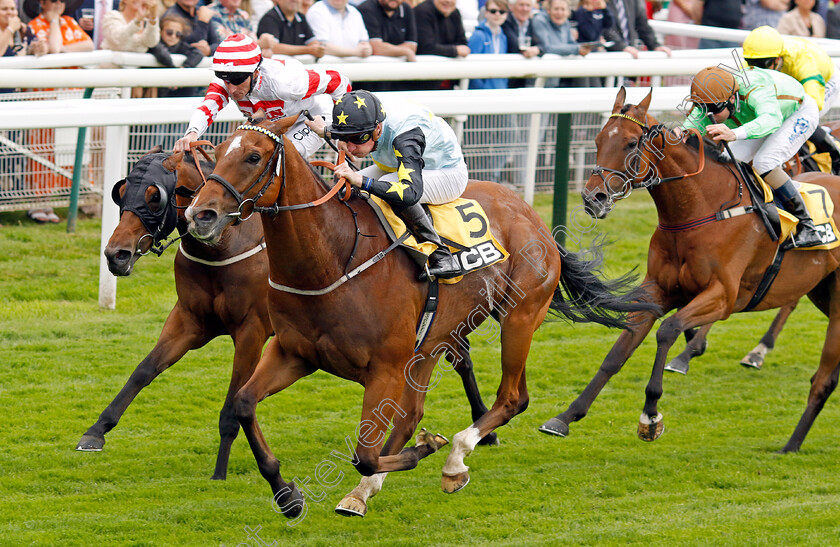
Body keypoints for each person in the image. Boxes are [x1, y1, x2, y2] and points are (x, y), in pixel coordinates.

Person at [305, 90, 464, 279]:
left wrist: (362, 180)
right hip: (397, 165)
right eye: (346, 138)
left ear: (378, 129)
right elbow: (353, 129)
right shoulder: (366, 119)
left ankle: (442, 256)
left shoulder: (406, 136)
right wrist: (327, 131)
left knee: (383, 186)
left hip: (446, 173)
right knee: (344, 187)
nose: (351, 147)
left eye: (358, 139)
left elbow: (409, 192)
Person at [681, 66, 823, 248]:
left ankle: (807, 225)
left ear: (732, 99)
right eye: (703, 108)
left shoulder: (756, 90)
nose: (709, 115)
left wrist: (735, 134)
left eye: (713, 110)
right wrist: (682, 130)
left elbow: (771, 120)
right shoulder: (717, 97)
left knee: (764, 162)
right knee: (727, 162)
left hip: (795, 113)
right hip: (761, 117)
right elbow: (698, 116)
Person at [173, 33, 351, 160]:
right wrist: (191, 134)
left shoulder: (286, 84)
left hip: (313, 118)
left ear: (256, 72)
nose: (232, 89)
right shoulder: (229, 79)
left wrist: (343, 133)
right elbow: (207, 107)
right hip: (273, 125)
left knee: (282, 158)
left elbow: (340, 82)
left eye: (238, 80)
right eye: (225, 80)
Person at [743, 25, 840, 173]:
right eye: (754, 64)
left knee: (804, 114)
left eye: (765, 64)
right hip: (791, 84)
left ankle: (835, 154)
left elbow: (813, 102)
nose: (759, 69)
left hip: (826, 79)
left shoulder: (800, 59)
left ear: (778, 58)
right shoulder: (749, 65)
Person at [357, 0, 418, 88]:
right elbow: (376, 48)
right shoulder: (366, 8)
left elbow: (412, 46)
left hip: (398, 77)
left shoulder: (406, 8)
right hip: (371, 76)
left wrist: (387, 49)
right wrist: (406, 51)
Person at [414, 0, 469, 89]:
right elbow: (425, 47)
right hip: (423, 81)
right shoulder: (422, 11)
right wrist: (455, 50)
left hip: (448, 78)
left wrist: (453, 50)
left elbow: (462, 44)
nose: (448, 1)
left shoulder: (455, 13)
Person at [151, 14, 203, 97]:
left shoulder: (182, 46)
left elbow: (198, 54)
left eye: (178, 34)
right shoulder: (155, 43)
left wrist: (184, 68)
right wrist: (175, 72)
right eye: (169, 32)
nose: (173, 36)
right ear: (160, 31)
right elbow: (160, 53)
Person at [256, 0, 325, 58]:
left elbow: (313, 43)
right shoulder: (270, 18)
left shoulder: (300, 17)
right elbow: (273, 47)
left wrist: (318, 49)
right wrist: (308, 50)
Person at [603, 0, 671, 57]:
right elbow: (604, 27)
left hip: (630, 52)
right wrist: (621, 47)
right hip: (607, 54)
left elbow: (642, 25)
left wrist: (655, 46)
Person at [304, 0, 372, 57]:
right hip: (326, 67)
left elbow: (365, 44)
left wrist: (366, 50)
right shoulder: (317, 10)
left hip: (354, 68)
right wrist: (355, 52)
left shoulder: (355, 12)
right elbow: (322, 46)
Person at [467, 0, 507, 89]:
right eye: (493, 11)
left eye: (502, 12)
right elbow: (471, 67)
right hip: (482, 93)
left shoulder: (503, 37)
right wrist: (482, 88)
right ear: (486, 13)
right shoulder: (478, 35)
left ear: (506, 15)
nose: (497, 14)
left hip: (499, 90)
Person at [27, 0, 93, 53]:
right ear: (42, 3)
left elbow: (90, 45)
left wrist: (64, 49)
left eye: (62, 0)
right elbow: (54, 49)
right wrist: (54, 21)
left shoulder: (69, 20)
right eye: (54, 0)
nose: (58, 3)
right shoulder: (34, 25)